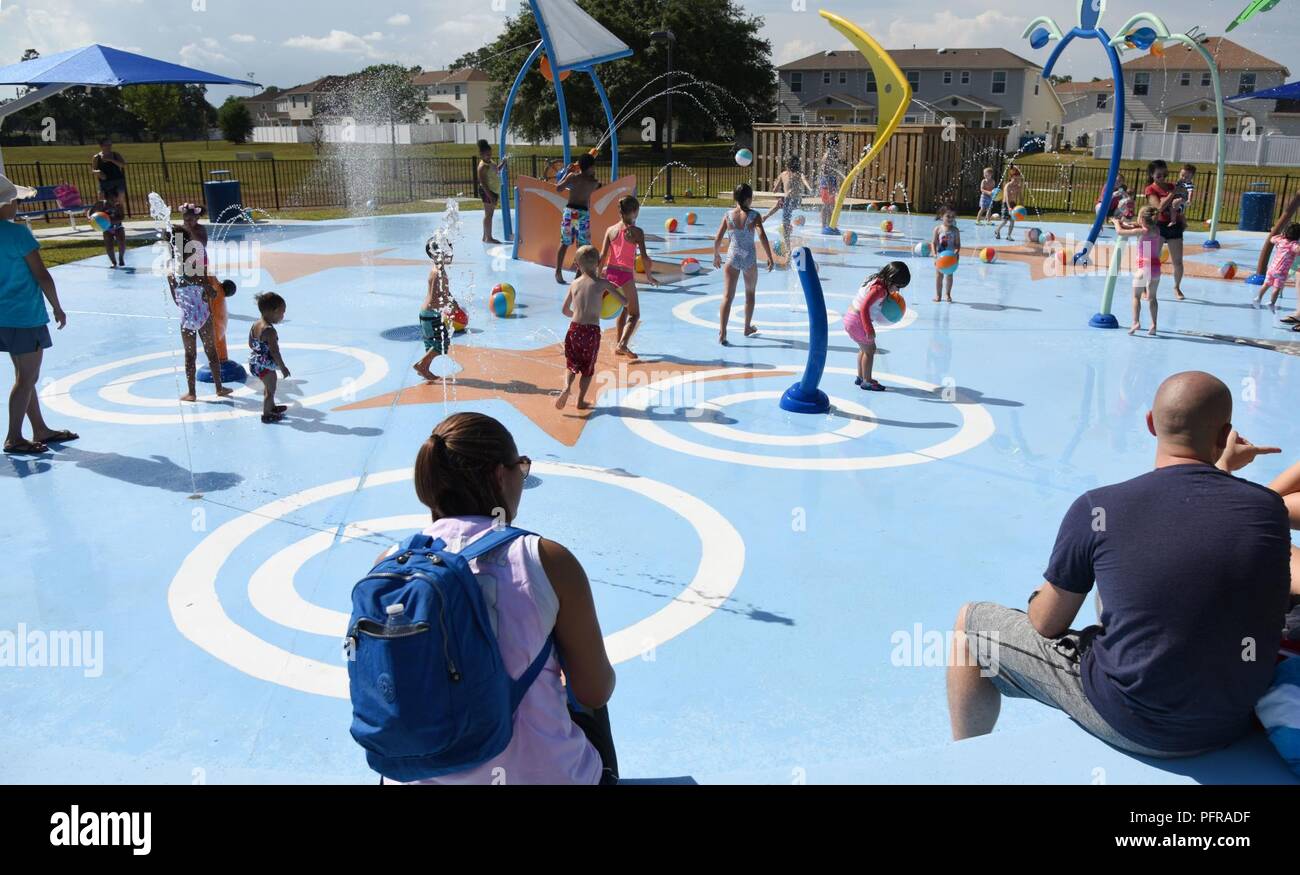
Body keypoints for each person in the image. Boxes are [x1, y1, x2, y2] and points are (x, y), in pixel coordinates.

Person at [948, 371, 1291, 757]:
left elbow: (1047, 623)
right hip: (1229, 717)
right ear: (1225, 432)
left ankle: (965, 764)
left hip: (1138, 723)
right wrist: (1222, 471)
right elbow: (1208, 520)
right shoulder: (1269, 510)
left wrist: (1037, 597)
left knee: (969, 627)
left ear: (1149, 423)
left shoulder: (1098, 507)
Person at [381, 412, 618, 785]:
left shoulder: (389, 567)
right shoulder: (547, 560)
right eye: (519, 468)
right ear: (499, 475)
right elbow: (594, 689)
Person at [0, 174, 77, 455]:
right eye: (15, 200)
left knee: (25, 375)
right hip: (24, 315)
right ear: (6, 204)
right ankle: (14, 437)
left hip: (3, 317)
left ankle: (39, 428)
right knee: (26, 378)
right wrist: (57, 306)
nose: (18, 204)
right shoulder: (18, 234)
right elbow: (42, 275)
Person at [169, 219, 231, 403]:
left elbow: (176, 300)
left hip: (186, 317)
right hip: (203, 315)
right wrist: (207, 294)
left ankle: (192, 393)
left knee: (190, 356)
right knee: (211, 352)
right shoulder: (198, 267)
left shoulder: (171, 272)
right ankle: (219, 388)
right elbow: (210, 292)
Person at [556, 245, 625, 410]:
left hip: (574, 329)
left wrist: (576, 315)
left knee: (571, 364)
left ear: (577, 265)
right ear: (598, 263)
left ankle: (566, 387)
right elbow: (625, 302)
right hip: (591, 332)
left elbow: (565, 310)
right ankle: (580, 401)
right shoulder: (603, 283)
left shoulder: (574, 284)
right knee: (587, 369)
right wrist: (615, 290)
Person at [712, 183, 775, 346]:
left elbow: (718, 237)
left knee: (727, 296)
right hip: (749, 259)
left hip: (732, 257)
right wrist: (769, 256)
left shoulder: (727, 215)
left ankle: (723, 332)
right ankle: (746, 327)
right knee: (750, 294)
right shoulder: (754, 216)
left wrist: (716, 255)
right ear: (748, 199)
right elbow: (762, 236)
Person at [598, 195, 658, 358]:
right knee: (634, 314)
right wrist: (649, 276)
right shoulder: (637, 232)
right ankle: (623, 344)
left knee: (624, 310)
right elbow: (644, 257)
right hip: (625, 275)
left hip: (610, 273)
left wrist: (598, 277)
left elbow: (603, 256)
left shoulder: (610, 230)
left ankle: (619, 343)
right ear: (634, 212)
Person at [845, 261, 910, 392]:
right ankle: (867, 382)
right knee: (870, 350)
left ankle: (861, 377)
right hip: (858, 320)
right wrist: (869, 328)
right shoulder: (879, 289)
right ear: (891, 279)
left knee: (863, 349)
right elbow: (864, 307)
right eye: (898, 286)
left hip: (850, 318)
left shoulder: (875, 279)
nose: (897, 290)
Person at [413, 239, 460, 383]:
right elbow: (436, 296)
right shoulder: (438, 272)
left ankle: (424, 369)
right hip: (431, 314)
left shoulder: (438, 269)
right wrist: (448, 304)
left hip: (428, 313)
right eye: (446, 250)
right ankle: (422, 366)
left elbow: (444, 291)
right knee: (442, 344)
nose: (449, 254)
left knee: (432, 344)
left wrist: (451, 300)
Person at [1112, 206, 1163, 336]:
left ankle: (1135, 322)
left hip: (1143, 268)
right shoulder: (1156, 230)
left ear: (1142, 219)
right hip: (1156, 268)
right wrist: (1128, 224)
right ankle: (1154, 325)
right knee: (1152, 298)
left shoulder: (1142, 232)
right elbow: (1135, 226)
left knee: (1136, 296)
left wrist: (1116, 223)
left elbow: (1119, 232)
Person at [1143, 159, 1188, 301]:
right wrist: (1172, 193)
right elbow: (1158, 208)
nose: (1162, 178)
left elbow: (1183, 201)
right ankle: (1146, 287)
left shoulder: (1171, 186)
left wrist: (1182, 199)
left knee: (1178, 262)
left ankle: (1177, 286)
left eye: (1164, 174)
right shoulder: (1150, 189)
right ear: (1152, 175)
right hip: (1158, 227)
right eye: (1159, 175)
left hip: (1174, 226)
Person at [553, 153, 599, 284]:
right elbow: (596, 184)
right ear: (590, 167)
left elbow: (558, 188)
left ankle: (558, 271)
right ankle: (579, 274)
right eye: (594, 167)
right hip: (582, 214)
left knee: (565, 243)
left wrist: (566, 172)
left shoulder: (572, 177)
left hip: (570, 212)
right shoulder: (593, 182)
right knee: (582, 246)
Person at [248, 292, 290, 423]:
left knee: (270, 386)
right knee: (270, 389)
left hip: (255, 361)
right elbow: (275, 352)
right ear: (275, 311)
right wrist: (282, 367)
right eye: (282, 313)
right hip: (264, 365)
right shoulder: (270, 331)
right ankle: (267, 414)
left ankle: (272, 407)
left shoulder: (256, 324)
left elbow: (250, 343)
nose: (283, 316)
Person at [762, 155, 812, 243]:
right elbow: (775, 190)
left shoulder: (788, 174)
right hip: (790, 200)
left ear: (787, 165)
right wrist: (809, 188)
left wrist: (809, 188)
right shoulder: (793, 174)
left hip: (794, 200)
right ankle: (768, 217)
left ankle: (768, 217)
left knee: (782, 204)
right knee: (780, 203)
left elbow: (774, 190)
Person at [1257, 222, 1300, 313]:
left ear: (1285, 233)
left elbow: (1272, 239)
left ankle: (1258, 297)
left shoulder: (1281, 240)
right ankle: (1271, 303)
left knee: (1266, 284)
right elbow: (1298, 250)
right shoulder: (1293, 245)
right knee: (1277, 288)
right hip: (1282, 272)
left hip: (1271, 269)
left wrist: (1281, 235)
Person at [476, 139, 505, 244]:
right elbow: (483, 184)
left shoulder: (490, 162)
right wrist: (490, 196)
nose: (489, 156)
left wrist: (502, 163)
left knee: (490, 214)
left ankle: (485, 237)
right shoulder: (482, 167)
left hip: (492, 191)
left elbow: (496, 170)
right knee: (488, 215)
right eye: (487, 155)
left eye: (490, 154)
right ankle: (489, 237)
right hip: (488, 191)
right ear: (481, 154)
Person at [87, 189, 126, 268]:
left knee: (121, 243)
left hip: (118, 226)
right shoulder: (101, 204)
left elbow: (122, 217)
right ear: (106, 198)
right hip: (106, 229)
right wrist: (90, 218)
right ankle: (113, 262)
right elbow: (90, 213)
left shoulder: (118, 205)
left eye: (115, 199)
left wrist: (110, 221)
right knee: (109, 246)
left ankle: (121, 257)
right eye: (111, 199)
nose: (113, 201)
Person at [931, 206, 961, 303]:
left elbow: (957, 244)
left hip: (951, 257)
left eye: (952, 217)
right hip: (940, 257)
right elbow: (933, 243)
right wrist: (934, 254)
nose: (950, 219)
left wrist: (956, 253)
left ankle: (948, 294)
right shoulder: (938, 229)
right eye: (948, 216)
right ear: (941, 216)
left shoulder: (955, 230)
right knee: (939, 276)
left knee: (949, 275)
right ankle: (938, 295)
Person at [91, 138, 127, 204]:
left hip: (117, 179)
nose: (109, 147)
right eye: (106, 145)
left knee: (120, 198)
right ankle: (104, 212)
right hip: (104, 181)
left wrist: (111, 160)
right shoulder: (97, 157)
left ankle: (119, 212)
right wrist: (98, 172)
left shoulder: (116, 155)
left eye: (110, 145)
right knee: (101, 198)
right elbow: (93, 169)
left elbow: (122, 165)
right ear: (101, 146)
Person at [994, 166, 1023, 240]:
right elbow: (1006, 197)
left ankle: (1009, 235)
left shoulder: (1018, 187)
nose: (1017, 181)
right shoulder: (1008, 186)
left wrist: (1022, 206)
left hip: (1013, 204)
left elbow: (1020, 197)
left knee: (1012, 221)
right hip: (1006, 204)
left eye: (1018, 179)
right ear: (1011, 177)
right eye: (1015, 179)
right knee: (1005, 221)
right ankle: (997, 230)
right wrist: (1009, 207)